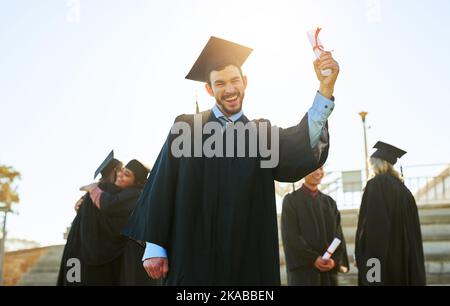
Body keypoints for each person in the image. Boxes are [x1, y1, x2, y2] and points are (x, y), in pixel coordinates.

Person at [123, 36, 339, 285]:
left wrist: (326, 90)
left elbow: (302, 142)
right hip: (193, 258)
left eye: (235, 80)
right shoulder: (187, 128)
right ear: (209, 88)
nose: (229, 89)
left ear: (245, 82)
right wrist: (155, 245)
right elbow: (162, 183)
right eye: (220, 83)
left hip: (246, 259)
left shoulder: (262, 136)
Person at [57, 158, 154, 286]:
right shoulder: (115, 191)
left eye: (127, 174)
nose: (120, 175)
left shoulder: (137, 194)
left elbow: (110, 204)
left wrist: (93, 190)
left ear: (137, 180)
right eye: (121, 171)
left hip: (136, 251)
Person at [355, 141, 426, 286]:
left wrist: (370, 266)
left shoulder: (376, 185)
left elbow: (375, 230)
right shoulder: (405, 191)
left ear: (376, 163)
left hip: (384, 263)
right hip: (404, 261)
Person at [281, 166, 349, 286]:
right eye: (314, 169)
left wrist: (334, 261)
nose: (318, 172)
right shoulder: (291, 201)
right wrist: (313, 258)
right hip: (304, 273)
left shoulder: (329, 202)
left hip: (328, 272)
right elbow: (291, 237)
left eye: (321, 169)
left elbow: (338, 236)